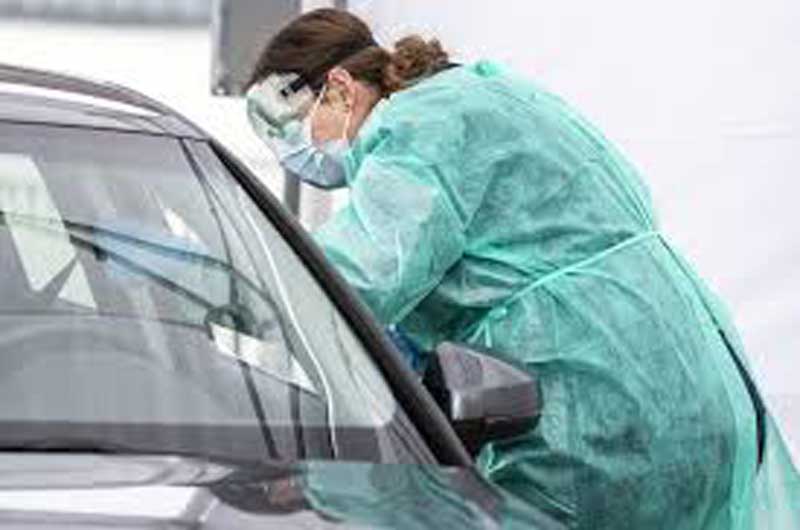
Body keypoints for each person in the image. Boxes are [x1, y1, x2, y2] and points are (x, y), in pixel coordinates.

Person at [244, 8, 800, 529]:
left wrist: (236, 291)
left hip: (598, 405)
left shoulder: (420, 130)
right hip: (687, 378)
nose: (294, 155)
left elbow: (350, 281)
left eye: (295, 129)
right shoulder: (486, 93)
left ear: (341, 88)